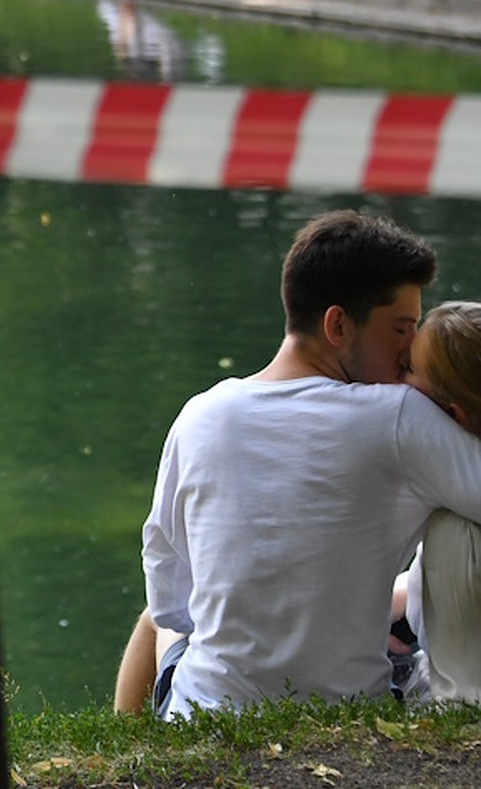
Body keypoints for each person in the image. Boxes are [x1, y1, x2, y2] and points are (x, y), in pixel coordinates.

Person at [112, 209, 481, 720]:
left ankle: (131, 759)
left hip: (204, 711)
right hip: (350, 710)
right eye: (400, 329)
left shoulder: (200, 414)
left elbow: (172, 592)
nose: (408, 352)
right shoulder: (397, 415)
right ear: (337, 325)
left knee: (156, 620)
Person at [391, 302, 481, 703]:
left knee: (183, 636)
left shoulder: (455, 523)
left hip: (450, 698)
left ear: (452, 414)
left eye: (408, 368)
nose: (396, 376)